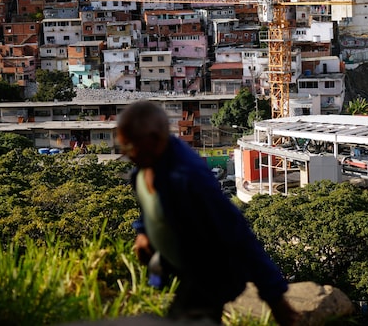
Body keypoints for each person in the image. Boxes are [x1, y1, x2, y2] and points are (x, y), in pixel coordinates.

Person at [118, 100, 297, 325]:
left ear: (154, 140)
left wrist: (275, 299)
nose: (125, 154)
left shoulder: (188, 179)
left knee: (187, 318)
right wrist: (143, 231)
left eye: (129, 147)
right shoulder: (145, 167)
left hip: (212, 272)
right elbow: (152, 207)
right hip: (182, 264)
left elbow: (238, 235)